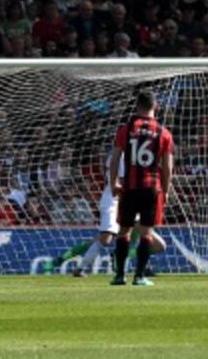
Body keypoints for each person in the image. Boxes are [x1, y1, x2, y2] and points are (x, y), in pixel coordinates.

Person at [108, 90, 174, 286]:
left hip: (129, 187)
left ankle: (120, 276)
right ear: (156, 107)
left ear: (137, 106)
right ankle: (139, 276)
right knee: (146, 232)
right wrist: (167, 189)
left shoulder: (125, 129)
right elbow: (168, 166)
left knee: (123, 231)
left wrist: (113, 183)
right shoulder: (164, 133)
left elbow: (115, 159)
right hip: (151, 188)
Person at [74, 146, 166, 278]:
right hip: (113, 200)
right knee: (106, 238)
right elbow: (122, 181)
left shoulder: (134, 154)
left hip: (129, 199)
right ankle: (80, 268)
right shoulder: (121, 155)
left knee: (159, 245)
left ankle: (130, 259)